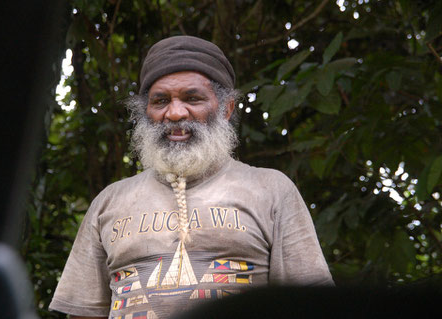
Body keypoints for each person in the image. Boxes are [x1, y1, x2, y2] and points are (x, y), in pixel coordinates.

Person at [49, 35, 333, 319]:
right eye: (160, 101)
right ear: (145, 112)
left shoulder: (271, 189)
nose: (174, 113)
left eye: (192, 98)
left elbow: (309, 305)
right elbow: (84, 314)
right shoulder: (109, 202)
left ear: (226, 109)